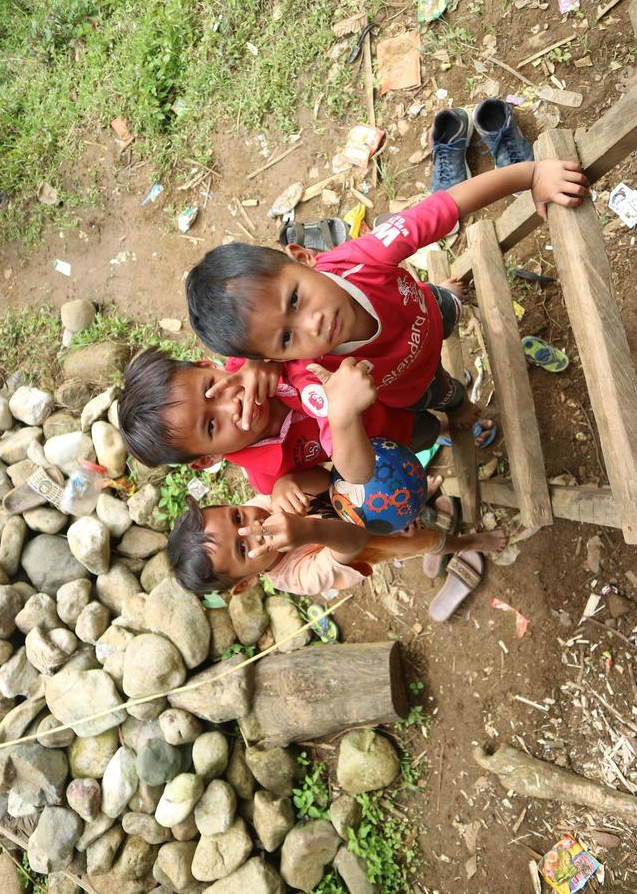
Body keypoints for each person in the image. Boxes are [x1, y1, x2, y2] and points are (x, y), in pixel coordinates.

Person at [186, 159, 589, 454]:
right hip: (414, 385)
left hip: (426, 309)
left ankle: (448, 295)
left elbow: (445, 207)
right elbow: (356, 471)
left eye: (294, 298)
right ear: (277, 359)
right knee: (447, 393)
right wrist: (341, 416)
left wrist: (532, 175)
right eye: (288, 337)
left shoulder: (363, 257)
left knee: (446, 304)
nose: (313, 322)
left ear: (304, 256)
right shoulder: (318, 379)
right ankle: (463, 408)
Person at [116, 347, 430, 495]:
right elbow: (333, 481)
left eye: (211, 388)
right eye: (211, 426)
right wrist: (292, 484)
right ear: (207, 459)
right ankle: (447, 428)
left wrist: (266, 354)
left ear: (206, 363)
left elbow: (296, 301)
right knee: (428, 432)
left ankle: (459, 408)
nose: (231, 405)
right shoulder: (269, 477)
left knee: (437, 389)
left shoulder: (258, 350)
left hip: (388, 377)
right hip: (387, 440)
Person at [167, 483, 507, 597]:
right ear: (244, 585)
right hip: (372, 541)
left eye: (237, 517)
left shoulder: (260, 506)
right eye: (243, 548)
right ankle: (470, 543)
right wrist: (308, 530)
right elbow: (353, 545)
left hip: (361, 503)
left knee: (403, 499)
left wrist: (287, 481)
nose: (254, 526)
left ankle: (421, 499)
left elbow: (320, 484)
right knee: (427, 540)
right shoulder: (298, 576)